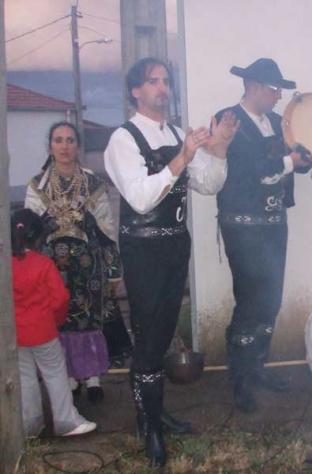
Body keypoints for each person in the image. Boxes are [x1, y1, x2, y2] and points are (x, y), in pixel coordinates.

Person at [104, 57, 239, 467]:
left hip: (175, 245)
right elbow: (141, 198)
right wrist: (182, 157)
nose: (163, 87)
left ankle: (153, 414)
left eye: (166, 81)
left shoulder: (178, 133)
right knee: (148, 339)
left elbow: (209, 184)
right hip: (143, 251)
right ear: (135, 91)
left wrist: (219, 148)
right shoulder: (123, 139)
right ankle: (151, 429)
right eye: (153, 81)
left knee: (161, 336)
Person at [215, 58, 312, 414]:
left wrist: (304, 158)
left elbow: (286, 166)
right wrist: (290, 162)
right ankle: (240, 379)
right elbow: (255, 170)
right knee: (250, 302)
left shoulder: (276, 122)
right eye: (274, 89)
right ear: (254, 86)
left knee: (271, 300)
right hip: (242, 226)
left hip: (273, 222)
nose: (278, 96)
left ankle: (257, 367)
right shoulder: (228, 121)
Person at [25, 121, 132, 404]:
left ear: (78, 146)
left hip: (89, 266)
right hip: (51, 268)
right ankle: (69, 379)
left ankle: (93, 377)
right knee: (59, 321)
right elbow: (29, 233)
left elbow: (107, 229)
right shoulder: (37, 185)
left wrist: (113, 270)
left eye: (70, 140)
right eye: (58, 140)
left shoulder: (93, 183)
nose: (64, 146)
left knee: (89, 319)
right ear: (50, 146)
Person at [11, 208, 97, 437]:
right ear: (38, 237)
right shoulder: (43, 263)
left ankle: (30, 425)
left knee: (25, 378)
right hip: (43, 331)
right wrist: (56, 320)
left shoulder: (5, 264)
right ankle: (66, 421)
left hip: (15, 335)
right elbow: (60, 298)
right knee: (55, 374)